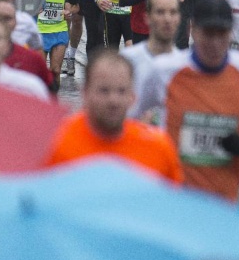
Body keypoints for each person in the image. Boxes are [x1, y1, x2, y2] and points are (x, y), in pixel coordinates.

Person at [133, 0, 239, 201]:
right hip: (176, 198)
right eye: (209, 33)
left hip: (232, 200)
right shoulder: (164, 70)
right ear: (194, 29)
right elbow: (129, 119)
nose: (216, 42)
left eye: (222, 33)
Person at [44, 50, 183, 185]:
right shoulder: (56, 143)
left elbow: (173, 203)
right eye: (104, 91)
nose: (113, 100)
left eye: (121, 91)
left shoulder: (158, 148)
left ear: (133, 97)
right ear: (85, 93)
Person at [122, 0, 184, 107]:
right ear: (147, 17)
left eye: (173, 12)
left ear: (179, 18)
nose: (167, 19)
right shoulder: (127, 59)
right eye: (160, 12)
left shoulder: (185, 66)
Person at [38, 0, 79, 88]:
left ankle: (54, 101)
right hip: (40, 30)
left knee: (55, 70)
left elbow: (76, 6)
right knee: (40, 72)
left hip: (59, 30)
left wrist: (69, 12)